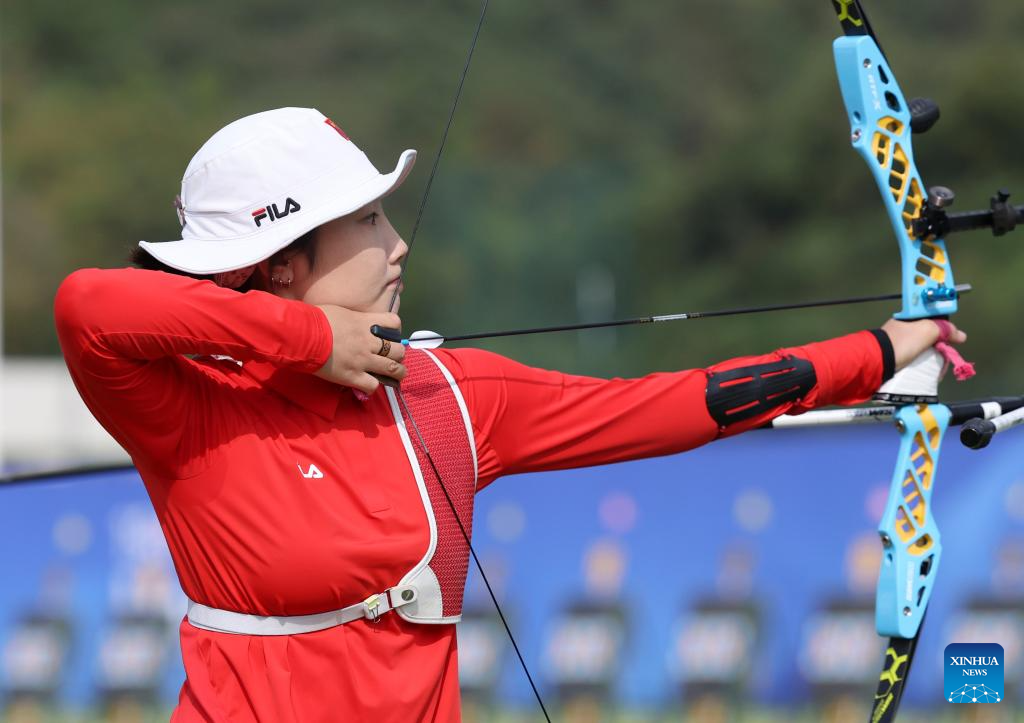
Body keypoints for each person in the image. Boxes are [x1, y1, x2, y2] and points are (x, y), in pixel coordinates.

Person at [54, 107, 964, 722]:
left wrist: (880, 351)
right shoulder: (190, 399)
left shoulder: (445, 397)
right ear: (284, 262)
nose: (398, 243)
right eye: (367, 222)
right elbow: (89, 304)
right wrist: (303, 339)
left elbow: (679, 402)